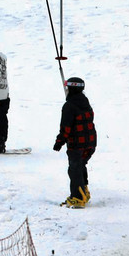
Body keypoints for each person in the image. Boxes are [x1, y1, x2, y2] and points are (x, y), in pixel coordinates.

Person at [53, 77, 95, 207]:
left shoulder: (69, 106)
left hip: (77, 144)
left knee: (74, 169)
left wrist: (59, 142)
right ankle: (84, 193)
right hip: (90, 143)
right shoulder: (85, 102)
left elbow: (66, 127)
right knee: (80, 165)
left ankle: (78, 197)